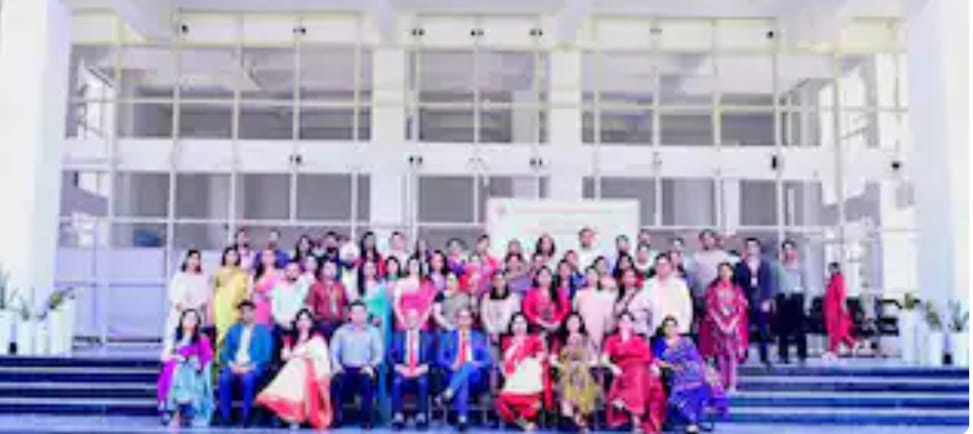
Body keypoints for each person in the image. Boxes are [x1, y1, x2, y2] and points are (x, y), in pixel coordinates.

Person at [256, 309, 334, 430]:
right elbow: (284, 356)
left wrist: (298, 356)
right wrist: (296, 355)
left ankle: (293, 417)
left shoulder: (317, 338)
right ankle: (290, 416)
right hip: (292, 371)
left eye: (306, 319)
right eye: (300, 320)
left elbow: (320, 357)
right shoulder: (291, 338)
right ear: (296, 323)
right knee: (294, 367)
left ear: (311, 323)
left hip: (311, 371)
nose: (303, 322)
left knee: (297, 365)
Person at [656, 316, 728, 434]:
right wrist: (672, 366)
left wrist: (704, 370)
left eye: (673, 326)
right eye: (667, 326)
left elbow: (696, 358)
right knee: (683, 391)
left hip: (693, 369)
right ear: (663, 329)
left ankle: (693, 422)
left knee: (704, 383)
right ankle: (692, 422)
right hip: (675, 372)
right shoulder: (660, 343)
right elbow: (657, 361)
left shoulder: (686, 341)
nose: (670, 329)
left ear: (677, 328)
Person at [602, 312, 667, 434]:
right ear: (618, 323)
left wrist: (654, 366)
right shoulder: (612, 340)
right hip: (624, 369)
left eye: (628, 321)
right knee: (637, 376)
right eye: (623, 320)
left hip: (642, 368)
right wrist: (612, 366)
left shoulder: (639, 340)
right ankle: (635, 420)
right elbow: (604, 359)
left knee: (649, 379)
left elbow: (649, 358)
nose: (625, 323)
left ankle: (627, 406)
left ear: (632, 324)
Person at [434, 307, 493, 432]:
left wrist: (477, 364)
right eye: (461, 317)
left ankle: (448, 394)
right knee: (463, 381)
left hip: (475, 377)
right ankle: (462, 419)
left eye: (467, 317)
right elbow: (439, 358)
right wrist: (450, 365)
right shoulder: (447, 337)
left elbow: (488, 359)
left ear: (471, 320)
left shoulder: (479, 337)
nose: (464, 320)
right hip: (453, 374)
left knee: (467, 365)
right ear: (456, 320)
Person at [218, 301, 273, 427]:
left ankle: (245, 416)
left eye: (248, 311)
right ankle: (225, 417)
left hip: (252, 367)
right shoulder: (233, 329)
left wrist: (249, 367)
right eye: (242, 312)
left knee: (247, 379)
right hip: (234, 365)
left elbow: (266, 355)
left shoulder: (263, 331)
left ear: (254, 312)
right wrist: (231, 364)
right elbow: (224, 352)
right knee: (224, 378)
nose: (245, 314)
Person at [330, 301, 384, 429]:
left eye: (361, 312)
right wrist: (336, 366)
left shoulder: (373, 332)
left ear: (366, 314)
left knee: (367, 380)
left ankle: (366, 419)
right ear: (350, 315)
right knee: (336, 381)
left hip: (365, 368)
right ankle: (337, 418)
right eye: (355, 312)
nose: (358, 315)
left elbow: (379, 355)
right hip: (346, 368)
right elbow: (333, 352)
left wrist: (370, 366)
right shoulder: (341, 332)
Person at [157, 309, 214, 427]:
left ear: (197, 322)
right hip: (173, 373)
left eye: (193, 318)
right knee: (177, 370)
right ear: (182, 320)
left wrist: (190, 360)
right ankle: (176, 411)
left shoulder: (202, 339)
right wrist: (176, 357)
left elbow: (206, 360)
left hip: (194, 375)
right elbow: (164, 357)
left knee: (183, 371)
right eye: (187, 317)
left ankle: (178, 413)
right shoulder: (175, 338)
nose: (190, 320)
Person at [699, 263, 748, 391]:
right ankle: (722, 383)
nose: (725, 273)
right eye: (722, 271)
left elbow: (741, 308)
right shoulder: (712, 289)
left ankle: (732, 384)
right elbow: (710, 307)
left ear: (732, 273)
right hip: (717, 327)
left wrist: (731, 324)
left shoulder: (737, 289)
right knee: (720, 355)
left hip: (734, 328)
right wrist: (720, 323)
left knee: (732, 355)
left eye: (727, 271)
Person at [496, 313, 546, 431]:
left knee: (531, 406)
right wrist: (504, 371)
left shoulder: (534, 339)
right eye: (516, 323)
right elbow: (502, 361)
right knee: (501, 401)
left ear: (527, 325)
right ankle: (524, 423)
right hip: (511, 378)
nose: (519, 326)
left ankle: (527, 416)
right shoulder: (506, 341)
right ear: (511, 326)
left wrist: (526, 364)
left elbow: (540, 357)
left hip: (529, 379)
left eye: (522, 322)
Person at [552, 314, 600, 433]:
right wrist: (564, 366)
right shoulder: (559, 340)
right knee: (568, 381)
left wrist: (583, 364)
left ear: (580, 324)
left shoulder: (587, 339)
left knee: (581, 376)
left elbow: (595, 359)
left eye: (576, 322)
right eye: (570, 322)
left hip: (583, 375)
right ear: (566, 324)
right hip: (565, 373)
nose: (573, 324)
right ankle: (579, 421)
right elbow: (552, 360)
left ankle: (576, 418)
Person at [389, 309, 434, 430]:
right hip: (403, 368)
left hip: (420, 369)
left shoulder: (428, 337)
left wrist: (425, 367)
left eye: (414, 318)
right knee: (396, 382)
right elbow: (390, 356)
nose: (411, 320)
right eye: (409, 318)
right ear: (405, 320)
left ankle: (421, 416)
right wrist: (398, 367)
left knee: (423, 382)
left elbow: (433, 358)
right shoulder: (397, 336)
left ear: (419, 320)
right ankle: (398, 416)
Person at [733, 238, 775, 367]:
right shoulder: (739, 266)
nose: (751, 249)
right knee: (743, 329)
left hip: (761, 300)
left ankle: (764, 357)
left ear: (758, 249)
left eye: (753, 246)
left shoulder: (765, 265)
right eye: (748, 247)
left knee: (763, 329)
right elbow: (736, 285)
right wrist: (740, 300)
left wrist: (767, 300)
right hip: (745, 301)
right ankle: (743, 355)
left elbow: (769, 284)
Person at [165, 250, 209, 349]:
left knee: (193, 345)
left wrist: (192, 312)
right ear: (186, 260)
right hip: (178, 315)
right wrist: (181, 307)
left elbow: (204, 298)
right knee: (172, 344)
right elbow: (172, 294)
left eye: (197, 258)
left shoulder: (202, 278)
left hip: (195, 317)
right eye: (191, 258)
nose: (194, 261)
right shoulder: (178, 276)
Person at [212, 247, 251, 354]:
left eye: (234, 255)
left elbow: (246, 292)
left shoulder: (243, 273)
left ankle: (234, 356)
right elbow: (213, 291)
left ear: (238, 257)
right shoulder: (218, 272)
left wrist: (243, 307)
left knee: (235, 332)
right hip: (221, 307)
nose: (231, 257)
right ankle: (220, 357)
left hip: (236, 307)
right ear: (224, 256)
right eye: (229, 254)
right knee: (222, 331)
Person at [776, 240, 808, 365]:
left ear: (794, 251)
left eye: (790, 249)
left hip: (797, 297)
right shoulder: (779, 266)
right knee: (782, 329)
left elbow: (806, 284)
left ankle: (802, 355)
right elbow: (776, 283)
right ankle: (783, 355)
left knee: (799, 328)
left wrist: (807, 303)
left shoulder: (801, 266)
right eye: (785, 249)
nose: (787, 252)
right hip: (782, 298)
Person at [645, 253, 693, 335]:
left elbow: (687, 308)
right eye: (658, 265)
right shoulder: (647, 285)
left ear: (670, 266)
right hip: (654, 329)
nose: (661, 268)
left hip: (676, 329)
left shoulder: (680, 285)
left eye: (664, 265)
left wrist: (684, 328)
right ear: (655, 267)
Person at [521, 266, 570, 340]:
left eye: (547, 275)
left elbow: (565, 309)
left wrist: (558, 321)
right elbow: (527, 311)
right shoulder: (531, 293)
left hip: (556, 327)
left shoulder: (559, 291)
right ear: (537, 278)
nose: (544, 278)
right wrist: (542, 323)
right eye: (542, 275)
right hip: (537, 328)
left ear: (551, 278)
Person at [305, 260, 348, 339]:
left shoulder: (341, 286)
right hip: (322, 324)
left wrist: (345, 322)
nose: (331, 270)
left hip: (339, 324)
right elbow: (310, 307)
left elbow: (345, 305)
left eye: (333, 268)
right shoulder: (315, 286)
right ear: (322, 270)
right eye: (328, 268)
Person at [574, 267, 614, 349]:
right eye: (588, 274)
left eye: (593, 274)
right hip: (584, 329)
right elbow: (575, 312)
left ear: (598, 277)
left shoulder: (607, 295)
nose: (591, 276)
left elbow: (610, 315)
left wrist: (608, 329)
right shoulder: (579, 294)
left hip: (601, 328)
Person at [824, 262, 858, 359]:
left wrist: (844, 308)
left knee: (835, 331)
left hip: (836, 309)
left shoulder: (839, 279)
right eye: (829, 269)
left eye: (832, 268)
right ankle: (852, 344)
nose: (830, 271)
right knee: (835, 331)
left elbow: (842, 295)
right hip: (830, 308)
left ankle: (834, 351)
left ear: (837, 269)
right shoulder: (832, 279)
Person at [270, 261, 309, 344]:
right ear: (285, 272)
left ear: (299, 272)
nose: (292, 273)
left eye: (295, 270)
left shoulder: (303, 287)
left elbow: (305, 308)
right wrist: (283, 322)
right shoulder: (278, 288)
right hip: (280, 325)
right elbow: (274, 311)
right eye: (289, 270)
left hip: (298, 325)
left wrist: (295, 321)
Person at [481, 271, 522, 349]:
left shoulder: (513, 297)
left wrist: (511, 330)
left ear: (505, 281)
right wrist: (492, 331)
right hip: (492, 332)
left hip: (508, 332)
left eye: (501, 279)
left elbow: (516, 315)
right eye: (496, 280)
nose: (499, 282)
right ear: (493, 282)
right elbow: (484, 316)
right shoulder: (486, 297)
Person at [393, 256, 436, 330]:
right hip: (404, 323)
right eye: (411, 264)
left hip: (422, 324)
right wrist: (403, 322)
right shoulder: (401, 282)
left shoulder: (427, 283)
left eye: (416, 264)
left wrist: (420, 324)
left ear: (419, 267)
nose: (414, 267)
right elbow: (396, 305)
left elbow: (429, 307)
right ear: (407, 267)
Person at [253, 249, 282, 325]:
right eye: (265, 255)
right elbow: (252, 292)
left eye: (270, 255)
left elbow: (283, 290)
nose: (267, 257)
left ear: (275, 258)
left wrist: (272, 294)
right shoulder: (255, 274)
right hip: (259, 308)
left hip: (276, 307)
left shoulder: (280, 273)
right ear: (261, 259)